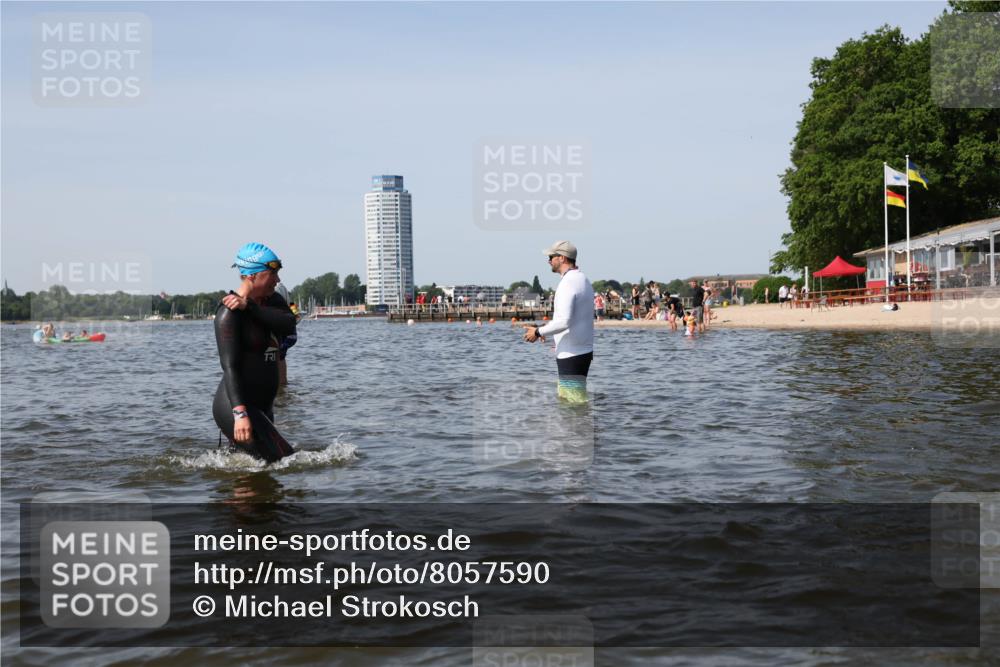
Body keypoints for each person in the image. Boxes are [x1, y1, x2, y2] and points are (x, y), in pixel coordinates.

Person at [213, 242, 297, 462]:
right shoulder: (228, 314)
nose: (277, 280)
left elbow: (289, 324)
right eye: (272, 274)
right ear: (252, 275)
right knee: (284, 460)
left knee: (256, 474)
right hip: (237, 406)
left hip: (263, 406)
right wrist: (240, 414)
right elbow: (229, 367)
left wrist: (250, 306)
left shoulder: (272, 302)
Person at [523, 241, 594, 403]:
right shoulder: (583, 279)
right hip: (582, 351)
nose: (548, 260)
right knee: (576, 400)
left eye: (551, 257)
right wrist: (544, 328)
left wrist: (537, 332)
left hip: (571, 354)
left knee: (571, 403)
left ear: (562, 258)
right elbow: (574, 319)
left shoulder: (567, 283)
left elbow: (564, 322)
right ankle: (581, 427)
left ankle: (577, 428)